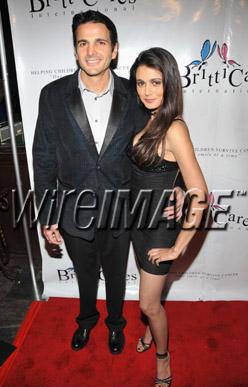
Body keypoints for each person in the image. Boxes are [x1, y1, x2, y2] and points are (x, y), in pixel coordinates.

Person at [32, 11, 184, 356]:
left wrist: (173, 186)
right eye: (83, 42)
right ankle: (86, 320)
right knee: (85, 273)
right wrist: (47, 214)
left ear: (114, 49)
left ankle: (116, 324)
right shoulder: (52, 95)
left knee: (116, 275)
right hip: (73, 209)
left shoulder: (137, 94)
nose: (91, 50)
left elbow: (160, 142)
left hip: (123, 208)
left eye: (100, 42)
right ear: (75, 50)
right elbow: (43, 158)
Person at [129, 47, 208, 387]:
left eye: (156, 82)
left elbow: (200, 194)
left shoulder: (174, 127)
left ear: (170, 84)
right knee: (153, 297)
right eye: (141, 82)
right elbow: (165, 171)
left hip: (158, 231)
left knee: (147, 304)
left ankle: (163, 356)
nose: (147, 91)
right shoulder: (147, 118)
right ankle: (149, 330)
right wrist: (174, 188)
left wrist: (178, 247)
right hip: (137, 223)